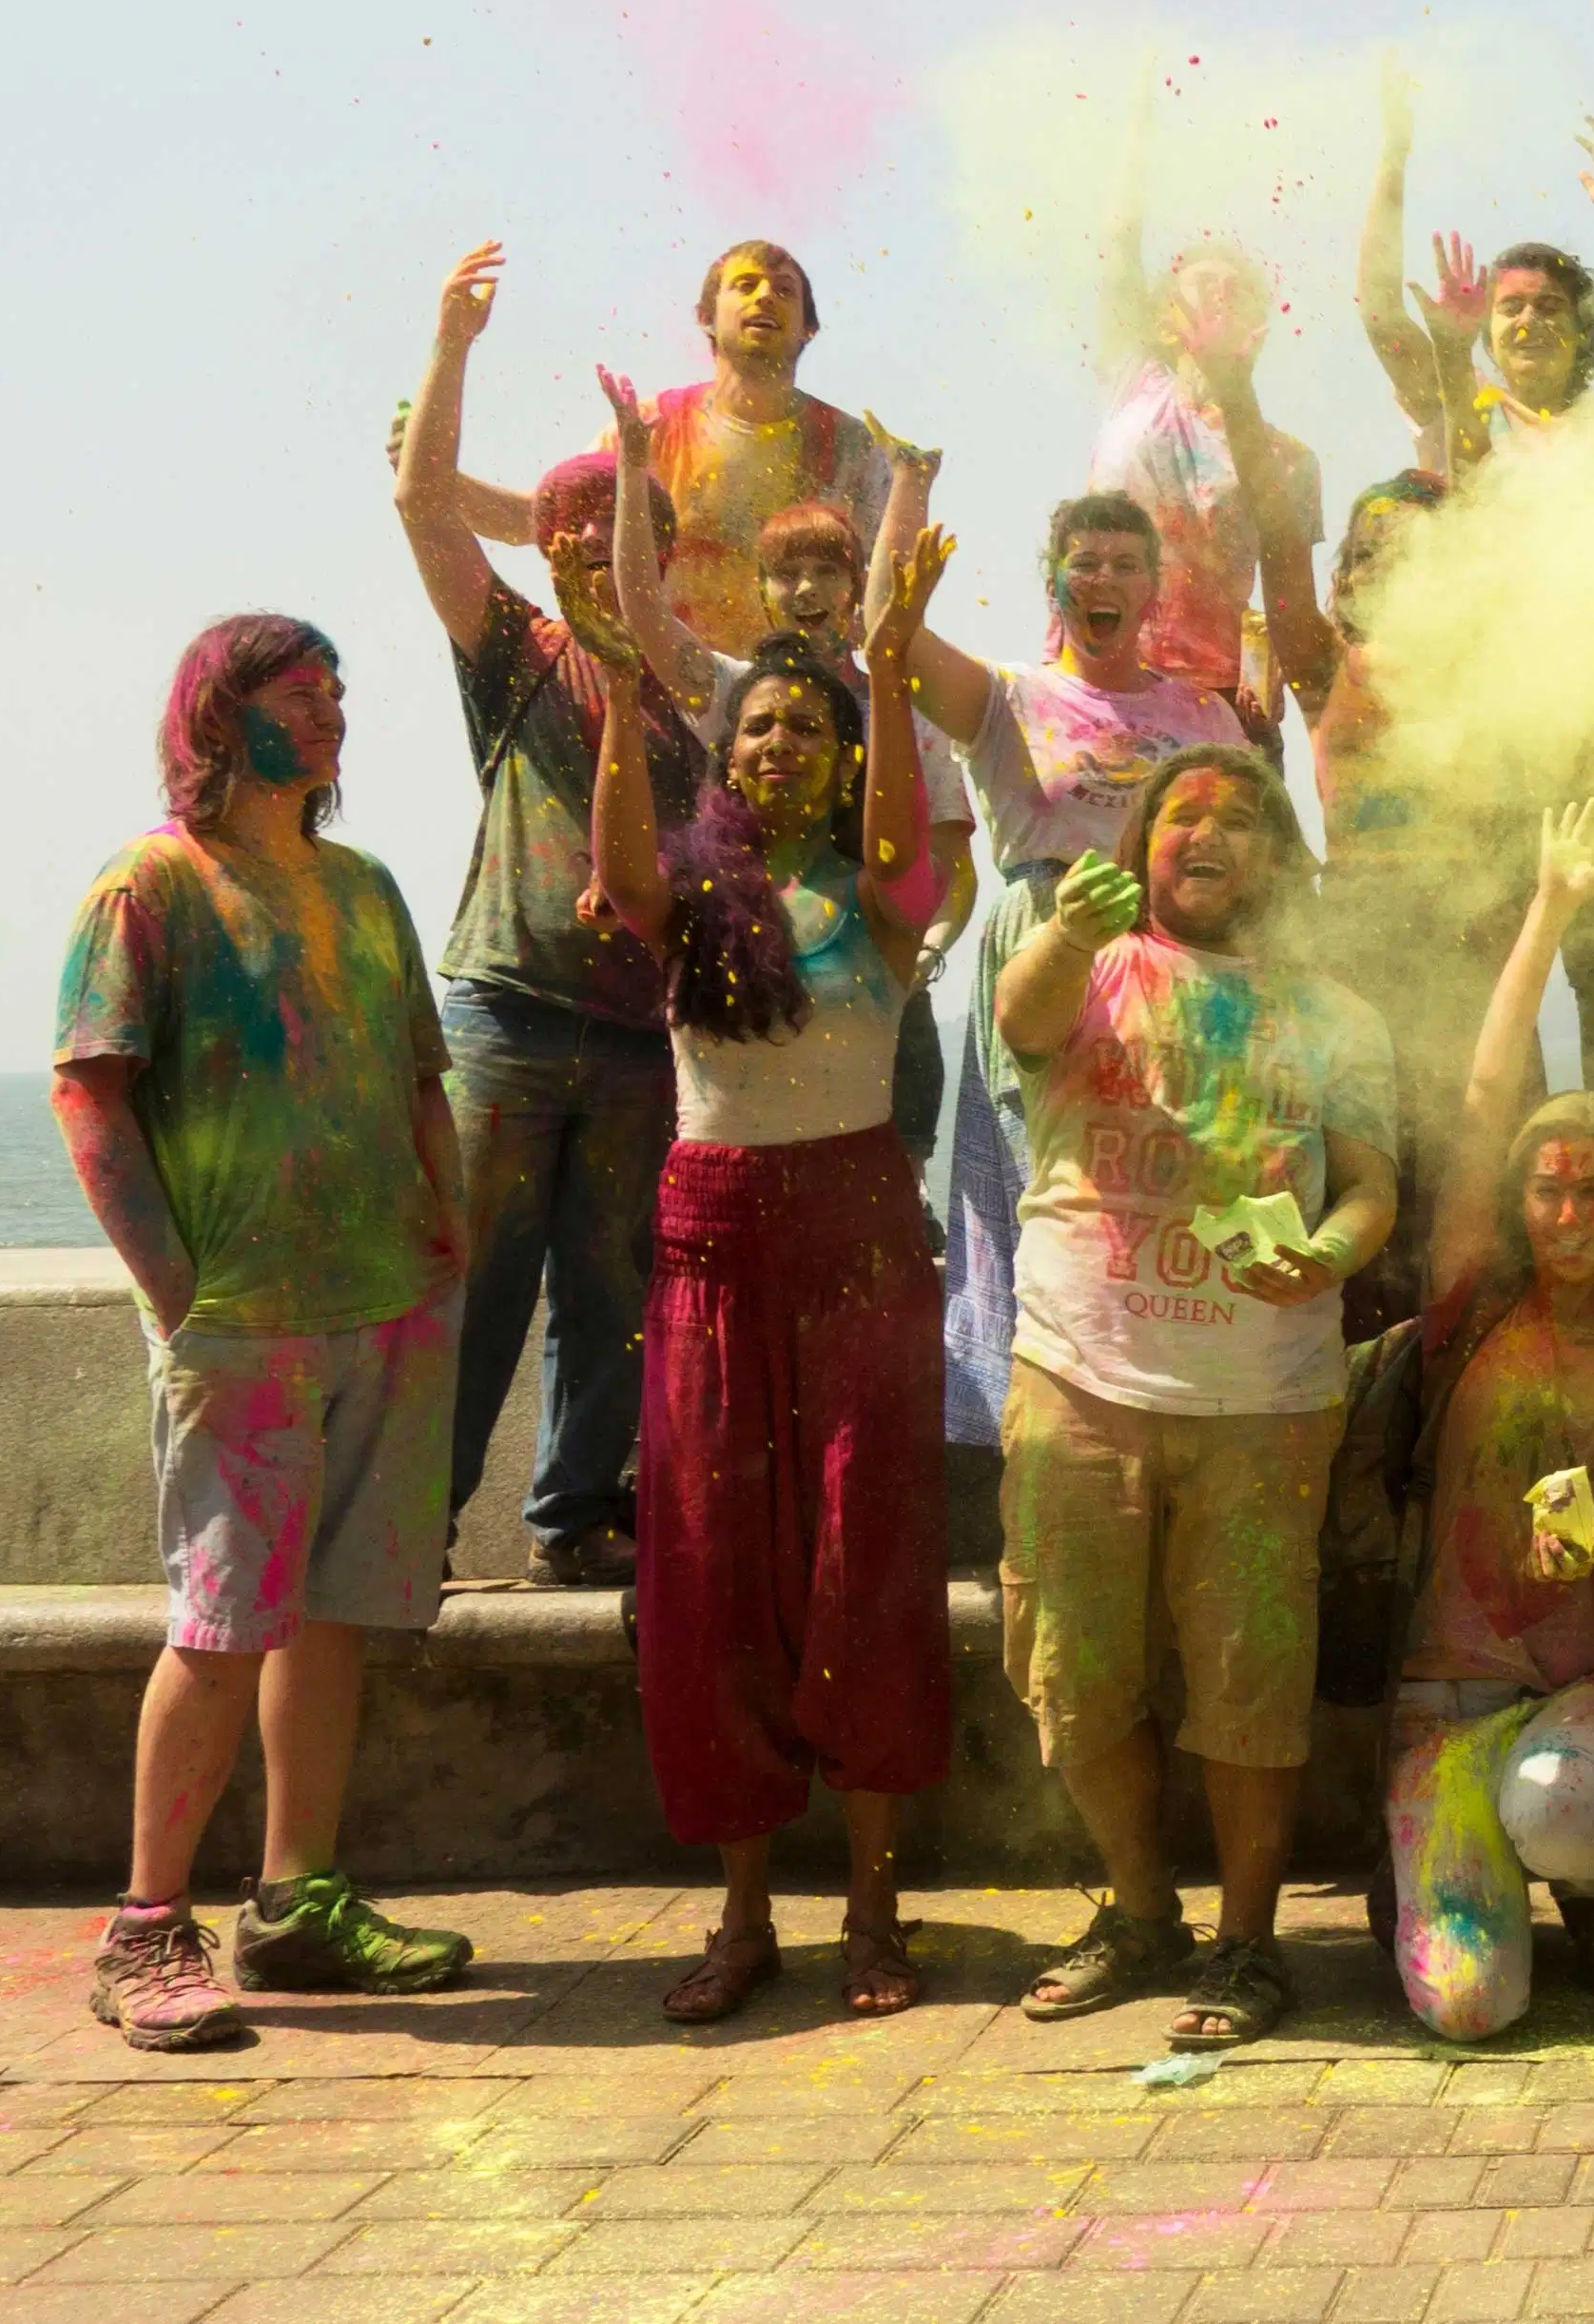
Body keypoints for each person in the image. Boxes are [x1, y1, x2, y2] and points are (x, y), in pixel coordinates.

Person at [585, 393, 962, 2024]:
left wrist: (881, 661)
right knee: (711, 1568)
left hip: (862, 1235)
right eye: (757, 731)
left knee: (862, 1563)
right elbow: (619, 862)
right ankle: (745, 1915)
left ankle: (877, 1910)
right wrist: (616, 682)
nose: (778, 745)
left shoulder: (883, 898)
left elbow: (899, 833)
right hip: (713, 1240)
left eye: (806, 731)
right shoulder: (696, 898)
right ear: (725, 758)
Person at [54, 612, 477, 2051]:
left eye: (341, 691)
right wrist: (177, 1290)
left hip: (383, 1305)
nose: (337, 711)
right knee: (225, 1620)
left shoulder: (362, 887)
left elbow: (423, 1076)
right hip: (242, 1325)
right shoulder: (152, 887)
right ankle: (145, 1928)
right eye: (305, 692)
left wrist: (447, 1228)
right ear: (221, 719)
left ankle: (300, 1900)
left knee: (338, 1609)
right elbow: (90, 1096)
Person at [990, 743, 1401, 2046]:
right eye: (1180, 813)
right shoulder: (1089, 958)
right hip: (1080, 1373)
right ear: (1141, 845)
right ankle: (1136, 1906)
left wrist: (1327, 1254)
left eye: (1239, 820)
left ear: (1276, 860)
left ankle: (1245, 1941)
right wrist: (1064, 928)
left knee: (1250, 1684)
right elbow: (1018, 1016)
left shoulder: (1337, 1011)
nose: (1206, 834)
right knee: (1078, 1668)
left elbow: (1371, 1185)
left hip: (1269, 1396)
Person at [392, 241, 707, 1590]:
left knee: (612, 1296)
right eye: (566, 517)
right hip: (510, 1014)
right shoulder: (516, 654)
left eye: (614, 515)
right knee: (472, 1286)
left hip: (643, 1038)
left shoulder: (702, 690)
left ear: (661, 544)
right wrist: (453, 346)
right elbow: (422, 505)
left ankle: (574, 1515)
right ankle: (409, 1527)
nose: (585, 536)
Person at [1377, 803, 1594, 2041]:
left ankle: (1590, 1880)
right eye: (1543, 1188)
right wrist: (1550, 909)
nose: (1567, 1210)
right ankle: (1452, 1874)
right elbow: (1482, 1089)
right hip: (1449, 1698)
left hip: (1593, 1690)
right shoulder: (1471, 1305)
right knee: (1468, 2010)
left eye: (1592, 1190)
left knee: (1565, 1807)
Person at [914, 494, 1285, 1455]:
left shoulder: (1200, 707)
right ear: (1055, 578)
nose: (1106, 580)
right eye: (1086, 562)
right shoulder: (1009, 693)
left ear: (1154, 588)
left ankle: (1166, 1405)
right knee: (1058, 1191)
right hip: (1051, 939)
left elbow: (1256, 840)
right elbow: (892, 644)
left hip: (1178, 961)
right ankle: (1045, 1429)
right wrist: (911, 496)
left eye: (1127, 564)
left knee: (1161, 1178)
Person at [607, 479, 980, 1180]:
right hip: (750, 990)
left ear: (856, 586)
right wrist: (632, 453)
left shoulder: (904, 713)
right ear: (762, 590)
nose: (806, 588)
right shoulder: (740, 693)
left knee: (884, 1195)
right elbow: (640, 612)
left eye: (827, 571)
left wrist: (920, 952)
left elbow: (953, 868)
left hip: (879, 993)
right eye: (786, 573)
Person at [407, 240, 905, 658]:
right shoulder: (651, 427)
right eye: (746, 285)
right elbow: (538, 523)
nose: (765, 298)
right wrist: (428, 471)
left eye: (784, 290)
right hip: (664, 702)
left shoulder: (850, 448)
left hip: (793, 721)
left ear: (808, 328)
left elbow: (888, 593)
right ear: (706, 317)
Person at [1087, 221, 1327, 746]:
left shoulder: (1291, 460)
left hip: (1219, 702)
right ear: (1165, 320)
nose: (1223, 296)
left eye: (1237, 289)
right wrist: (1137, 138)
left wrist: (1265, 660)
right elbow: (1121, 248)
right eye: (1205, 286)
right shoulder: (1135, 382)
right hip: (1103, 677)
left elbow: (1288, 597)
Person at [1360, 57, 1594, 478]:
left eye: (1550, 306)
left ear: (1582, 331)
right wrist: (1395, 151)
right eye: (1510, 306)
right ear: (1485, 329)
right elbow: (1382, 315)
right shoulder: (1458, 393)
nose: (1529, 320)